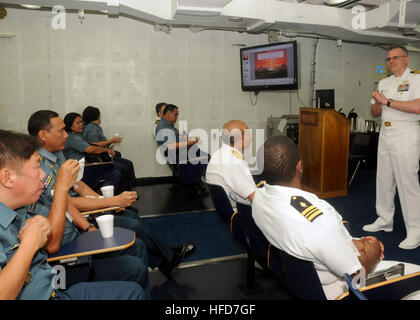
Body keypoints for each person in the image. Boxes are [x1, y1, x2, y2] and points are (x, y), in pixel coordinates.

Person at [28, 110, 195, 278]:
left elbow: (77, 186)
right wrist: (111, 202)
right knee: (134, 228)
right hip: (73, 223)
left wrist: (103, 200)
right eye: (61, 131)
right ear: (43, 135)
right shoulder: (38, 168)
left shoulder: (56, 155)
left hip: (78, 215)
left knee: (132, 217)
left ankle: (165, 259)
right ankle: (167, 257)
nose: (66, 135)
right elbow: (66, 201)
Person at [252, 135, 420, 300]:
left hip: (305, 283)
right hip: (336, 290)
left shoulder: (259, 199)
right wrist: (374, 252)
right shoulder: (320, 222)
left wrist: (355, 242)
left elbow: (315, 242)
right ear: (300, 166)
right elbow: (357, 274)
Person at [0, 130, 145, 300]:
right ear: (7, 178)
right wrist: (29, 244)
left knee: (134, 278)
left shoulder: (19, 208)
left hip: (53, 284)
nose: (43, 175)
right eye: (37, 167)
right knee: (132, 291)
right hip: (55, 279)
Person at [362, 45, 420, 250]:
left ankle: (415, 230)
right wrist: (378, 103)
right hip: (386, 133)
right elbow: (375, 111)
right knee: (384, 178)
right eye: (388, 59)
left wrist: (388, 101)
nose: (391, 62)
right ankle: (385, 218)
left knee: (407, 182)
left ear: (406, 59)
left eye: (395, 58)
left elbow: (417, 106)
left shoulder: (416, 79)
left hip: (406, 133)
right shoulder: (384, 82)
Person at [63, 112, 122, 192]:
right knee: (116, 173)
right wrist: (106, 150)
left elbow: (91, 145)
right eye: (78, 123)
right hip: (82, 169)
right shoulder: (72, 138)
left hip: (85, 165)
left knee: (115, 167)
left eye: (81, 122)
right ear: (70, 125)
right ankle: (101, 198)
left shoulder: (76, 135)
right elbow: (90, 149)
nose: (81, 124)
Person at [82, 105, 136, 191]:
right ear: (97, 116)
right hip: (99, 159)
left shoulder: (93, 127)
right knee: (126, 166)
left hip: (102, 155)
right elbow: (94, 145)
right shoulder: (91, 128)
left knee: (125, 161)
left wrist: (111, 143)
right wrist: (111, 141)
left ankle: (128, 189)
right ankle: (125, 191)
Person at [206, 120, 256, 209]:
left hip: (227, 208)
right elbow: (253, 197)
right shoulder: (233, 161)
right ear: (240, 139)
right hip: (242, 211)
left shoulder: (219, 153)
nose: (251, 136)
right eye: (248, 133)